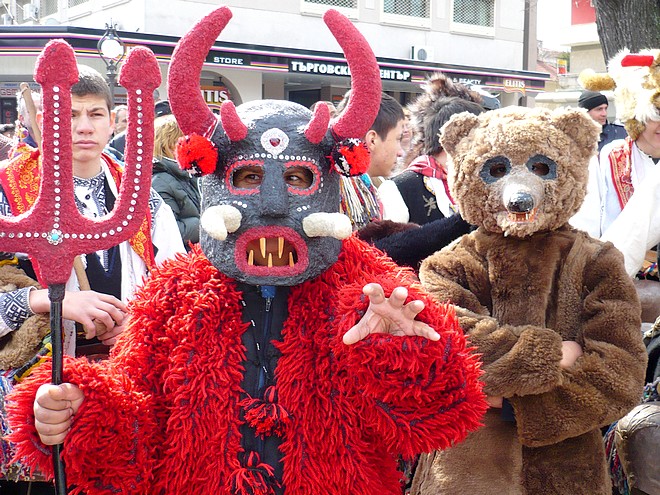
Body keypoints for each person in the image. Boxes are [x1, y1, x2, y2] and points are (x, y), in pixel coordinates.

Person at [4, 8, 487, 495]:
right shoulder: (174, 297)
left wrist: (406, 355)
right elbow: (134, 442)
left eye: (297, 178)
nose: (273, 204)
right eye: (249, 177)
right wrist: (81, 413)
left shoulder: (374, 292)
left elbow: (439, 423)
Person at [0, 64, 184, 493]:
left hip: (120, 387)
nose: (83, 126)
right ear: (43, 120)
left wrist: (139, 326)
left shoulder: (142, 197)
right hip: (28, 396)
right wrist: (47, 300)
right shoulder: (6, 192)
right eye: (69, 114)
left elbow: (176, 288)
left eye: (95, 114)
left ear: (112, 120)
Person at [571, 49, 660, 239]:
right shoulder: (608, 158)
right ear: (635, 115)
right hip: (617, 255)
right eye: (656, 114)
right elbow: (589, 221)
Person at [336, 91, 405, 229]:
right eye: (398, 139)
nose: (400, 152)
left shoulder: (374, 185)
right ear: (372, 140)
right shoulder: (339, 194)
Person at [152, 114, 201, 247]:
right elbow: (170, 230)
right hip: (183, 256)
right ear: (169, 146)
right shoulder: (160, 181)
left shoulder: (187, 173)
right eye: (186, 141)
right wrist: (206, 224)